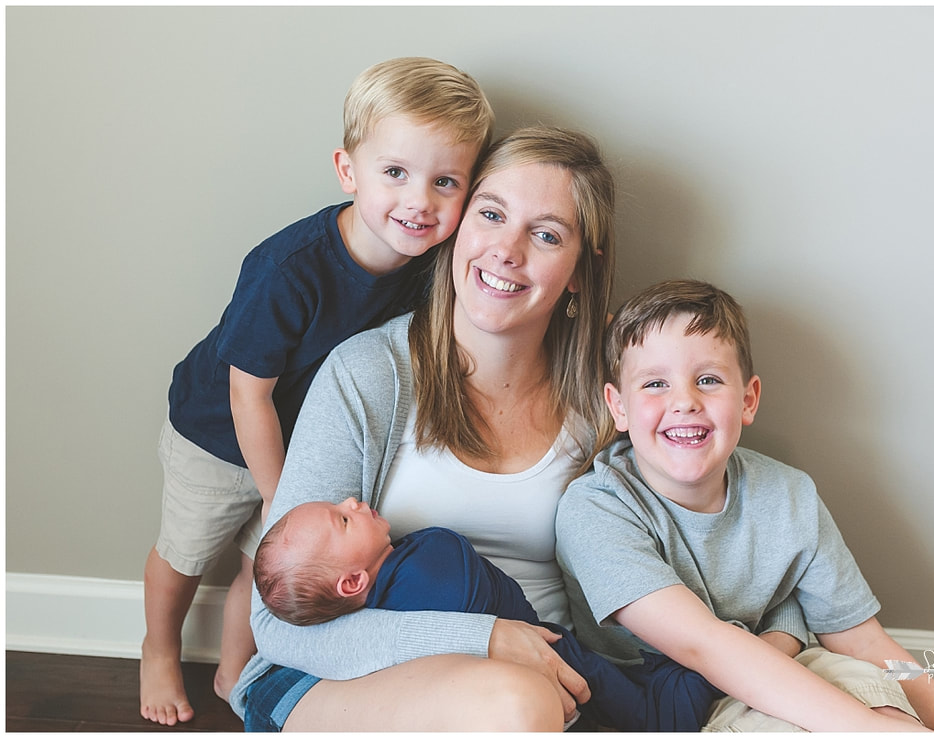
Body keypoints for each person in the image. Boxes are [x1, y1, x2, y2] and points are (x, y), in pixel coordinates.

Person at [228, 126, 802, 732]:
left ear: (580, 269)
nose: (507, 250)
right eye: (492, 214)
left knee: (529, 702)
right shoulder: (369, 374)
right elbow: (276, 622)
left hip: (560, 681)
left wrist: (784, 632)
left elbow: (730, 519)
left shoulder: (611, 391)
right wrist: (484, 637)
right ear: (458, 227)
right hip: (350, 677)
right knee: (515, 702)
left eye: (547, 234)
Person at [140, 57, 493, 726]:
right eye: (395, 173)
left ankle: (235, 666)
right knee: (186, 551)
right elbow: (249, 395)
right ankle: (158, 647)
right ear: (347, 170)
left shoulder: (429, 270)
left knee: (266, 565)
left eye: (445, 182)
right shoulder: (289, 268)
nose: (419, 201)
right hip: (217, 432)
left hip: (304, 437)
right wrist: (282, 497)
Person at [556, 279, 934, 732]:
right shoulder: (596, 508)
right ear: (618, 407)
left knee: (874, 688)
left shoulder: (788, 494)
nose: (684, 402)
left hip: (774, 671)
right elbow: (704, 646)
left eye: (708, 380)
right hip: (664, 702)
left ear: (748, 399)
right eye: (655, 383)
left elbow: (864, 642)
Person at [251, 497, 724, 731]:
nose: (351, 500)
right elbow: (457, 568)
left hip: (533, 649)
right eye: (343, 519)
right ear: (352, 583)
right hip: (546, 651)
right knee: (654, 715)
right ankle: (708, 669)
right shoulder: (427, 568)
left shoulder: (395, 577)